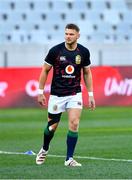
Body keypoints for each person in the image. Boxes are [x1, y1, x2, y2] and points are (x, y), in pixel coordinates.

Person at [36, 23, 95, 167]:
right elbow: (45, 70)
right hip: (57, 94)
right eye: (66, 34)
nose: (68, 36)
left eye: (71, 34)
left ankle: (69, 159)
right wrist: (40, 92)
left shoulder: (84, 52)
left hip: (75, 93)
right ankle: (44, 149)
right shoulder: (55, 51)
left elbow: (87, 73)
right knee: (52, 127)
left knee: (74, 124)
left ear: (78, 36)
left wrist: (91, 94)